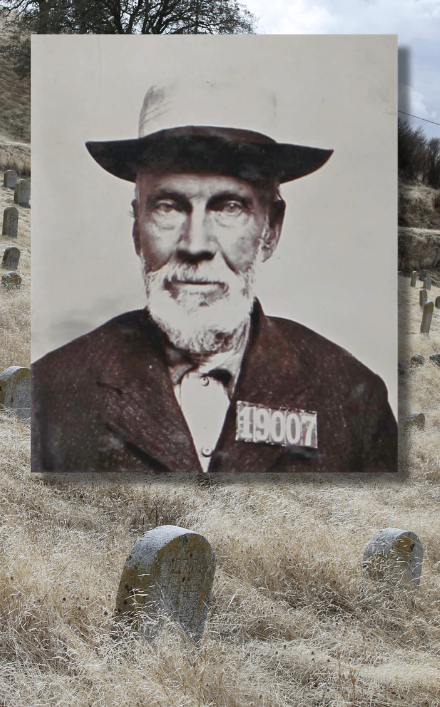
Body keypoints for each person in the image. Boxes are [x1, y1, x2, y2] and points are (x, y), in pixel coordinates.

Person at [31, 81, 398, 473]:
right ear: (137, 229)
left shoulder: (352, 398)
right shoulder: (50, 392)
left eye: (229, 207)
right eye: (169, 207)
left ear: (270, 229)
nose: (196, 244)